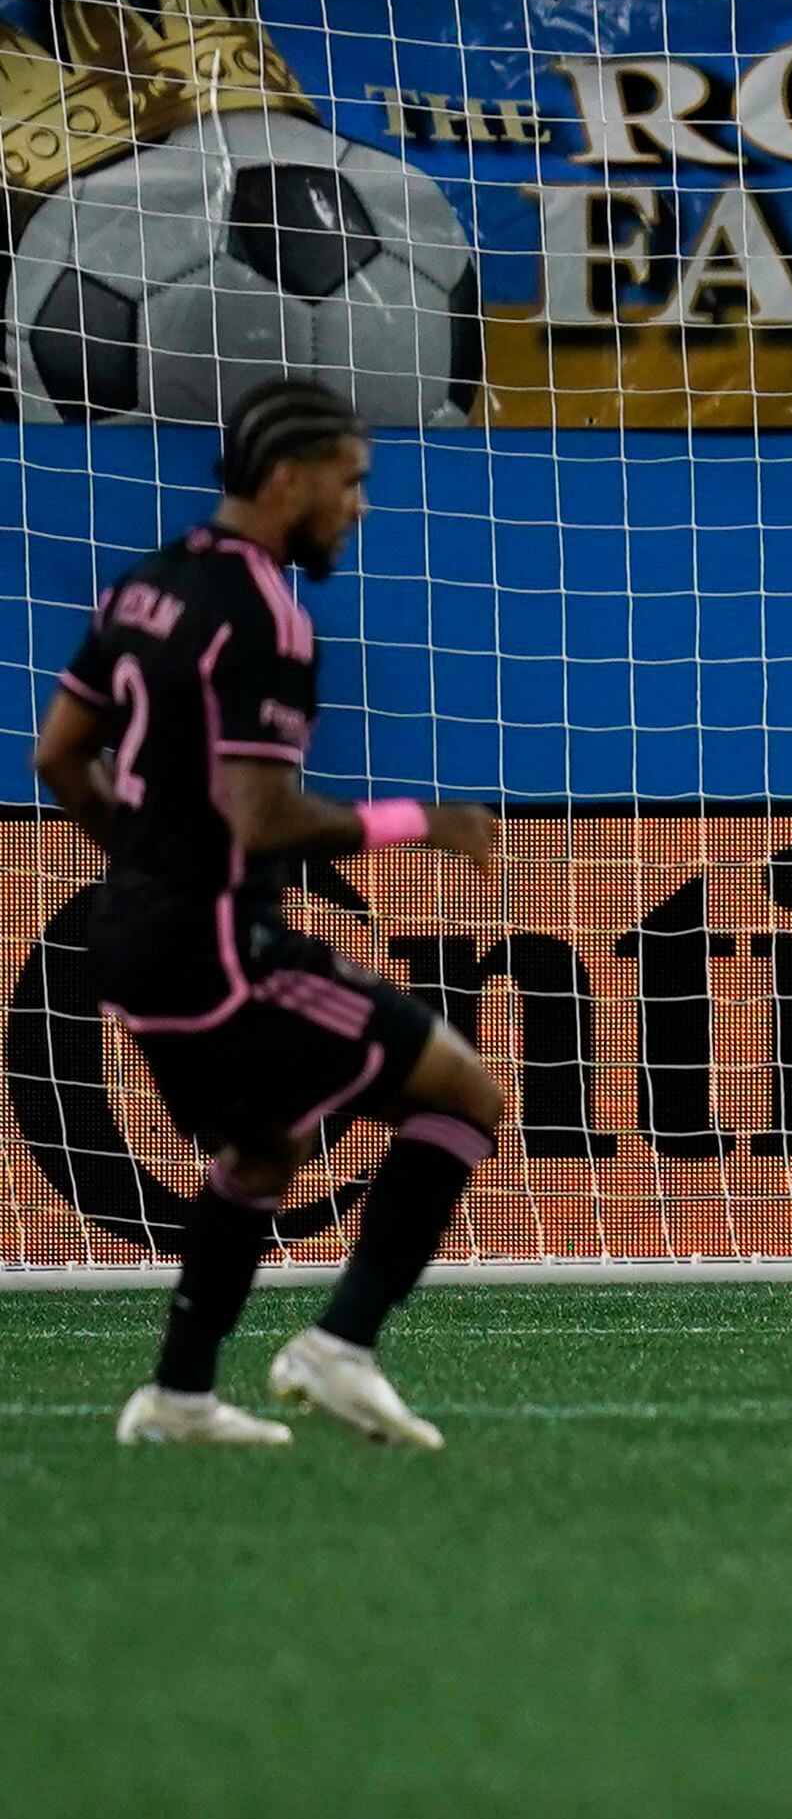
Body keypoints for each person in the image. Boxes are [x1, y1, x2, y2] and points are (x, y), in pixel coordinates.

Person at [37, 376, 509, 1451]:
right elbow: (257, 817)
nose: (360, 506)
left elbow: (60, 755)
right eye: (350, 483)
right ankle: (340, 1345)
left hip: (134, 936)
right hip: (218, 947)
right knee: (465, 1096)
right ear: (288, 479)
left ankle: (180, 1397)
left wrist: (150, 862)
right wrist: (418, 821)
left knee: (268, 1147)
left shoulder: (145, 587)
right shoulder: (267, 616)